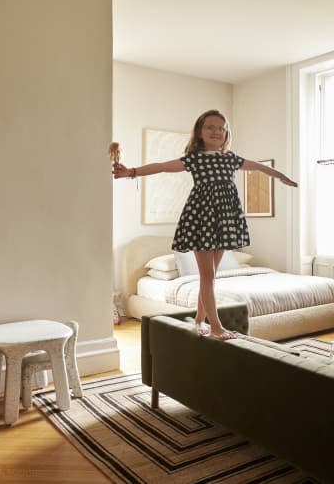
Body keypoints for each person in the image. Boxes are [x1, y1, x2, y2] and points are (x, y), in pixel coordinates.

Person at [113, 109, 298, 339]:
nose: (216, 131)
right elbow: (161, 166)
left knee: (211, 276)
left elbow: (260, 167)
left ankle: (200, 320)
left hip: (225, 219)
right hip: (201, 219)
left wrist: (281, 176)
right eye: (210, 127)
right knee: (207, 276)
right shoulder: (195, 159)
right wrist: (130, 172)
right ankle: (216, 327)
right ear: (200, 132)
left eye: (221, 128)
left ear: (226, 133)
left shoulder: (230, 158)